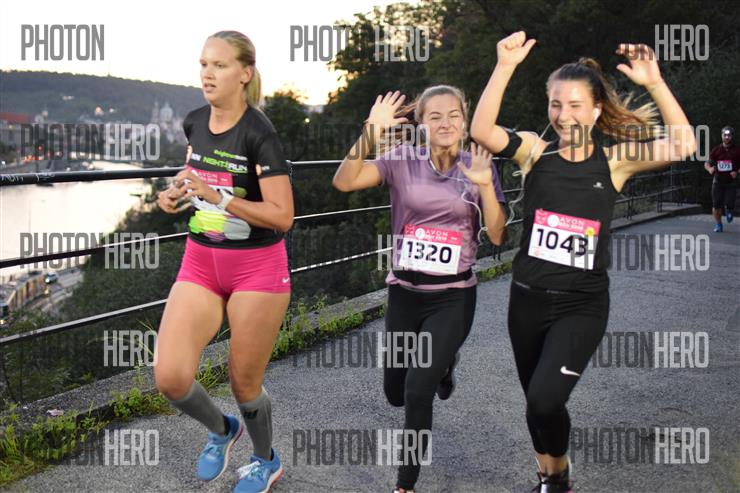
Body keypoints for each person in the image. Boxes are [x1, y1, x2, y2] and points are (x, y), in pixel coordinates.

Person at [471, 32, 696, 492]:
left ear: (595, 111)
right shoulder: (535, 152)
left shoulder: (614, 162)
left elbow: (683, 145)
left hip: (581, 305)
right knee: (536, 404)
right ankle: (552, 476)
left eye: (575, 105)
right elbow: (482, 131)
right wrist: (504, 67)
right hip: (527, 301)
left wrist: (655, 83)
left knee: (545, 398)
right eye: (556, 104)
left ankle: (558, 475)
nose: (564, 115)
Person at [333, 86, 506, 493]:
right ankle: (445, 365)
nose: (445, 123)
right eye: (435, 116)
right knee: (395, 393)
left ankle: (405, 485)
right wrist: (370, 132)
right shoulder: (401, 160)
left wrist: (484, 186)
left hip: (453, 296)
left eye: (453, 115)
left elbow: (498, 235)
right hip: (405, 294)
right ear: (421, 124)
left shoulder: (477, 164)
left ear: (465, 120)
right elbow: (343, 182)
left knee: (417, 391)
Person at [154, 30, 293, 493]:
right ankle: (222, 429)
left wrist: (221, 199)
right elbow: (195, 173)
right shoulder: (194, 122)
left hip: (257, 267)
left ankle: (265, 460)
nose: (207, 74)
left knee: (243, 383)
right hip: (200, 263)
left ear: (244, 73)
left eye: (219, 65)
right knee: (171, 378)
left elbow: (283, 216)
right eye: (203, 64)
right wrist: (175, 192)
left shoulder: (260, 133)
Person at [704, 126, 739, 232]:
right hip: (718, 181)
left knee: (729, 203)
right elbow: (707, 163)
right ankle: (718, 224)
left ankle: (729, 210)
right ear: (722, 136)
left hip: (731, 182)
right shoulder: (716, 150)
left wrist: (737, 172)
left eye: (729, 135)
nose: (727, 137)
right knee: (716, 205)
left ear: (732, 136)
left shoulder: (737, 150)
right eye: (725, 135)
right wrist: (710, 169)